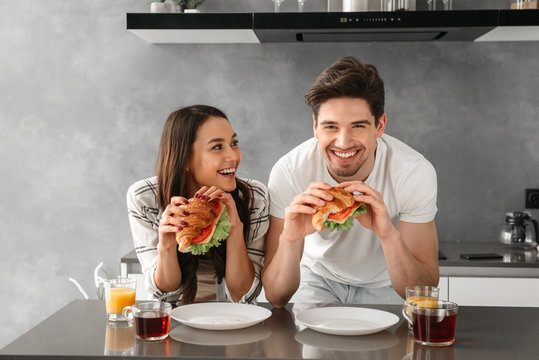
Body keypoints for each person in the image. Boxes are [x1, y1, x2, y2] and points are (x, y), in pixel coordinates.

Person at [262, 56, 439, 308]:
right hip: (316, 278)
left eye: (357, 126)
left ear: (379, 126)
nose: (343, 142)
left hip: (386, 282)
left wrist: (388, 233)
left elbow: (424, 291)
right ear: (315, 127)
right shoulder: (289, 171)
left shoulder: (413, 172)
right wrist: (291, 238)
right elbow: (276, 297)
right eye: (330, 126)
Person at [127, 105, 269, 305]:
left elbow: (244, 295)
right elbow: (165, 296)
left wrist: (235, 228)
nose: (234, 157)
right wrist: (167, 243)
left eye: (234, 143)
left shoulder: (254, 197)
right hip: (173, 323)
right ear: (184, 158)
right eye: (217, 147)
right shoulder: (144, 197)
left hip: (235, 322)